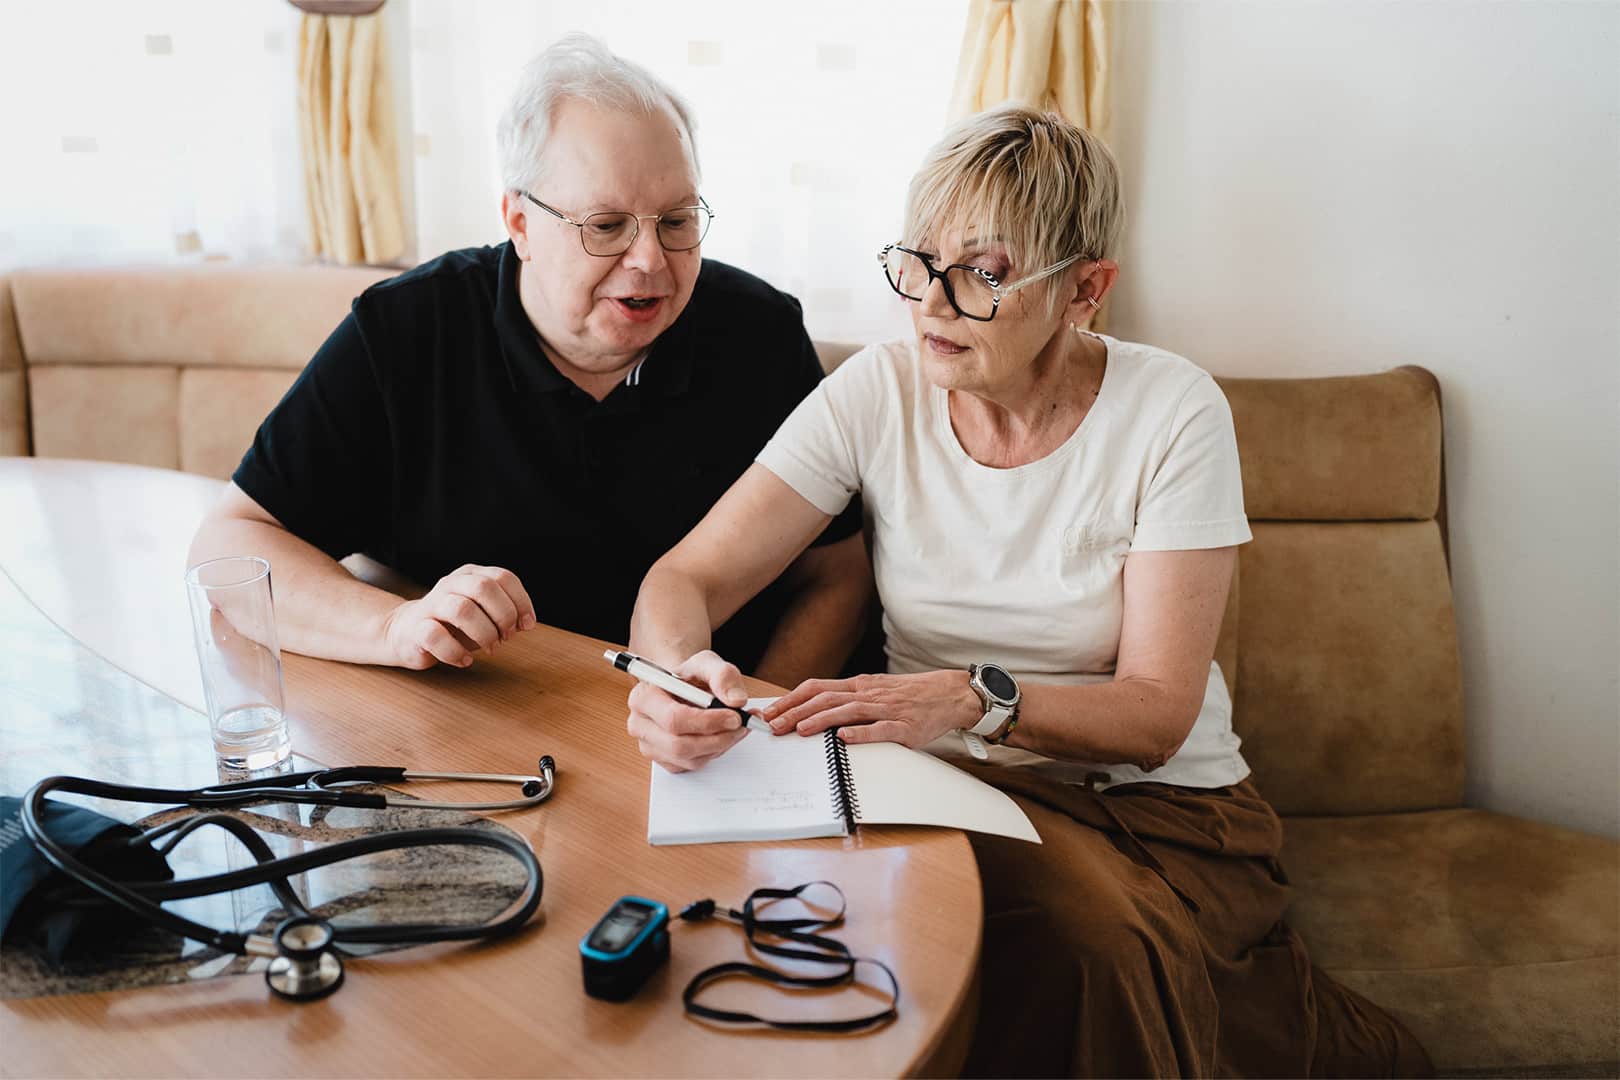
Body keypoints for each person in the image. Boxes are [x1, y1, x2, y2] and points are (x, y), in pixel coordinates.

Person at [624, 105, 1432, 1075]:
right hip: (942, 784)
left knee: (1096, 949)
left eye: (984, 274)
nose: (931, 303)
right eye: (918, 262)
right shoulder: (877, 391)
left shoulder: (1172, 411)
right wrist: (679, 679)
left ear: (1086, 289)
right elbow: (687, 576)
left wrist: (970, 696)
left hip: (1158, 803)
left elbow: (1157, 715)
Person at [188, 34, 868, 685]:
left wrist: (757, 719)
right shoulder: (406, 331)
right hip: (471, 721)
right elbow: (230, 546)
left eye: (678, 220)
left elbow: (837, 573)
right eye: (606, 226)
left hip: (704, 734)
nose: (650, 262)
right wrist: (395, 628)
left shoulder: (759, 333)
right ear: (519, 222)